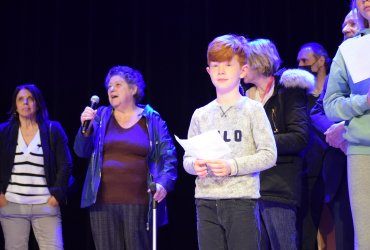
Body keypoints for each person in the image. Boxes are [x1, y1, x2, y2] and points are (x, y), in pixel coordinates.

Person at [183, 34, 277, 250]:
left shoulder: (253, 110)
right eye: (215, 65)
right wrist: (194, 165)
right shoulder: (201, 114)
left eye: (228, 64)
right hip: (206, 200)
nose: (221, 71)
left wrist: (231, 167)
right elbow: (188, 159)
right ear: (208, 71)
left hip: (241, 200)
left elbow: (269, 154)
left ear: (243, 70)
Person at [74, 65, 177, 250]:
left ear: (133, 89)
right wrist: (85, 129)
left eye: (118, 84)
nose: (111, 89)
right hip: (101, 203)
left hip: (139, 204)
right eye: (109, 86)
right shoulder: (99, 117)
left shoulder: (152, 119)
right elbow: (81, 151)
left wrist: (163, 183)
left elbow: (168, 157)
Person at [242, 38, 312, 249]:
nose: (240, 68)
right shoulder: (245, 97)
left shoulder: (288, 91)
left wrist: (260, 143)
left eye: (244, 62)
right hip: (250, 189)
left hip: (279, 187)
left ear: (258, 62)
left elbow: (299, 138)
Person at [310, 9, 363, 249]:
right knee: (345, 234)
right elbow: (319, 111)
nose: (345, 29)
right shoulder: (340, 68)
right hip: (342, 162)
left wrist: (346, 126)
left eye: (352, 23)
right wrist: (339, 133)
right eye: (343, 24)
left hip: (361, 145)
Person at [0, 84, 72, 250]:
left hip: (45, 204)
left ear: (38, 103)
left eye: (30, 99)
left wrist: (56, 196)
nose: (26, 102)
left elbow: (65, 164)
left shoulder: (53, 129)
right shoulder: (4, 132)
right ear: (15, 106)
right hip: (12, 204)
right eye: (21, 99)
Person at [324, 0, 370, 248]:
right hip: (363, 151)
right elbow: (331, 104)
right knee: (366, 239)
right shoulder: (350, 49)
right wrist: (364, 101)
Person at [296, 42, 331, 250]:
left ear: (320, 61)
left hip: (333, 167)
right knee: (306, 230)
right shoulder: (300, 95)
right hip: (308, 170)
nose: (300, 65)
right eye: (298, 61)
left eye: (305, 61)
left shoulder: (333, 91)